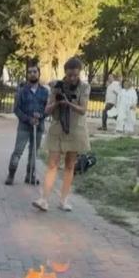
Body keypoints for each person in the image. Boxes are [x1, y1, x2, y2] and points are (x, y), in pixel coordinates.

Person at [33, 57, 90, 212]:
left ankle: (64, 200)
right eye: (69, 75)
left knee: (70, 165)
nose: (72, 78)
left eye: (75, 75)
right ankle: (44, 199)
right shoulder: (56, 86)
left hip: (75, 129)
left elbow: (83, 110)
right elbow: (47, 110)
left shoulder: (84, 87)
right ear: (65, 72)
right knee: (52, 164)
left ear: (79, 73)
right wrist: (57, 102)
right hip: (58, 128)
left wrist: (69, 103)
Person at [5, 64, 49, 185]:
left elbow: (48, 109)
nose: (32, 74)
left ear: (39, 74)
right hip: (24, 126)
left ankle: (30, 175)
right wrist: (28, 119)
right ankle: (11, 174)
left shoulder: (45, 92)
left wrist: (41, 116)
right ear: (27, 75)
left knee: (34, 153)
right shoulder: (21, 91)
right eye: (30, 72)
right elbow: (16, 109)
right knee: (18, 151)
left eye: (35, 72)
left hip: (38, 127)